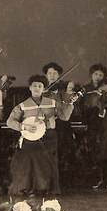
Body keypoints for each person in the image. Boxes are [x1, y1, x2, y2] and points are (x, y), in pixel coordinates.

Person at [5, 74, 74, 197]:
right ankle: (30, 189)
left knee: (47, 161)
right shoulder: (23, 105)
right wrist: (23, 127)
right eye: (34, 86)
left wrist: (70, 104)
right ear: (30, 88)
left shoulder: (53, 103)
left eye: (40, 86)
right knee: (29, 158)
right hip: (30, 138)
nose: (37, 88)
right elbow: (9, 122)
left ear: (44, 89)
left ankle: (46, 188)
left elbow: (65, 117)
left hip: (49, 138)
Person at [42, 61, 77, 193]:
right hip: (47, 125)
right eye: (49, 73)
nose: (52, 75)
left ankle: (62, 183)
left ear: (58, 76)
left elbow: (68, 105)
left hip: (61, 125)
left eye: (55, 73)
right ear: (45, 75)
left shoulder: (61, 90)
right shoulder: (42, 89)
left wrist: (68, 92)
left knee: (63, 152)